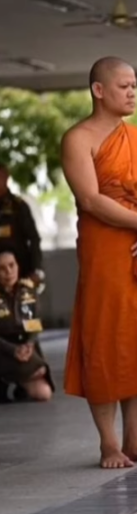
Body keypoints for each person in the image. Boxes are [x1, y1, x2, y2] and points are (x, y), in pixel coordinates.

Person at [62, 56, 137, 469]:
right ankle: (109, 443)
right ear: (98, 90)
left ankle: (136, 439)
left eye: (134, 86)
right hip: (107, 250)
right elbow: (90, 200)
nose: (132, 92)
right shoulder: (79, 138)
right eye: (124, 86)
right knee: (106, 341)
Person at [0, 166, 47, 402]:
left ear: (5, 177)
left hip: (19, 273)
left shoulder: (18, 206)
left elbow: (34, 241)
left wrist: (36, 272)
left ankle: (25, 375)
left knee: (26, 319)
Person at [0, 249, 53, 402]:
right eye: (2, 268)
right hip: (3, 348)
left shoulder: (28, 290)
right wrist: (13, 350)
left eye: (11, 265)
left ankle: (18, 383)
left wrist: (29, 345)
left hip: (23, 346)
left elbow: (35, 324)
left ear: (18, 266)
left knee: (44, 393)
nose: (8, 272)